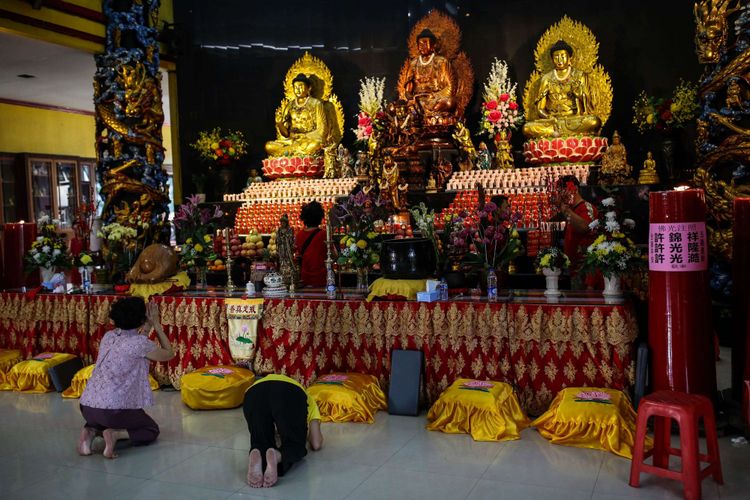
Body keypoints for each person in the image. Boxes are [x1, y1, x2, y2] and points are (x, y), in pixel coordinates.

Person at [77, 297, 174, 459]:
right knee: (150, 430)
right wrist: (156, 325)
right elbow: (168, 354)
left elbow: (137, 340)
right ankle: (115, 435)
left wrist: (147, 324)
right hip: (114, 411)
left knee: (99, 419)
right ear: (141, 319)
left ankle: (89, 432)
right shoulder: (140, 345)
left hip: (87, 408)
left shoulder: (109, 336)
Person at [243, 373, 323, 488]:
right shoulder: (306, 396)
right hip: (288, 393)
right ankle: (277, 455)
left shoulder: (261, 383)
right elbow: (316, 443)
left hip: (253, 393)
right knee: (294, 444)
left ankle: (257, 450)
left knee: (261, 442)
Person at [522, 40, 602, 139]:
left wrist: (580, 95)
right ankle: (563, 134)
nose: (559, 60)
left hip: (574, 119)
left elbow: (588, 107)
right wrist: (549, 118)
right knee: (527, 128)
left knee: (594, 121)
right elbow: (540, 108)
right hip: (553, 121)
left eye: (563, 56)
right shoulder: (546, 79)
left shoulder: (579, 75)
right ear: (552, 59)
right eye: (556, 57)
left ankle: (558, 134)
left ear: (569, 58)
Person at [265, 73, 328, 157]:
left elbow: (322, 129)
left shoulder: (316, 104)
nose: (297, 90)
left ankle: (287, 154)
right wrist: (279, 123)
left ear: (309, 88)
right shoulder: (290, 105)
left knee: (316, 145)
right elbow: (285, 134)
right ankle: (296, 153)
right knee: (268, 146)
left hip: (308, 141)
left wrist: (305, 136)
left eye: (300, 87)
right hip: (292, 141)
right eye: (295, 87)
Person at [403, 28, 456, 123]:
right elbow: (408, 91)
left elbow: (450, 87)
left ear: (433, 45)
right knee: (395, 108)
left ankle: (430, 117)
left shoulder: (441, 62)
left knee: (449, 102)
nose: (421, 47)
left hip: (436, 100)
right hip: (418, 102)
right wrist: (411, 98)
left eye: (424, 43)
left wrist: (434, 96)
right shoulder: (413, 64)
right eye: (419, 44)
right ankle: (428, 116)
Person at [556, 175, 599, 287]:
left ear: (574, 188)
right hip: (575, 269)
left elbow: (585, 227)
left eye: (562, 190)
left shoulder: (586, 207)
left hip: (587, 271)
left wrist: (565, 210)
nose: (560, 195)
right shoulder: (572, 210)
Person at [295, 201, 327, 287]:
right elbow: (333, 255)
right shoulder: (324, 234)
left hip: (305, 278)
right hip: (322, 278)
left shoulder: (299, 235)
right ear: (320, 217)